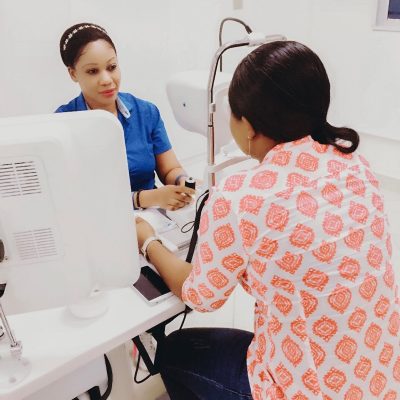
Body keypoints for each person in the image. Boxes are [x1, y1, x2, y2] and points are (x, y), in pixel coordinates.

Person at [135, 40, 400, 399]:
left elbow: (201, 295)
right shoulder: (356, 167)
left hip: (308, 390)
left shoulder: (240, 197)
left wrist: (148, 242)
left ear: (247, 126)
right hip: (379, 377)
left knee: (176, 350)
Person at [56, 23, 194, 210]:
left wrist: (183, 181)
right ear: (73, 73)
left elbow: (170, 169)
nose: (106, 79)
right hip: (97, 222)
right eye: (92, 71)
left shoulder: (146, 112)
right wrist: (143, 198)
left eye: (111, 67)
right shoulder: (62, 124)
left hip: (153, 218)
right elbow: (79, 197)